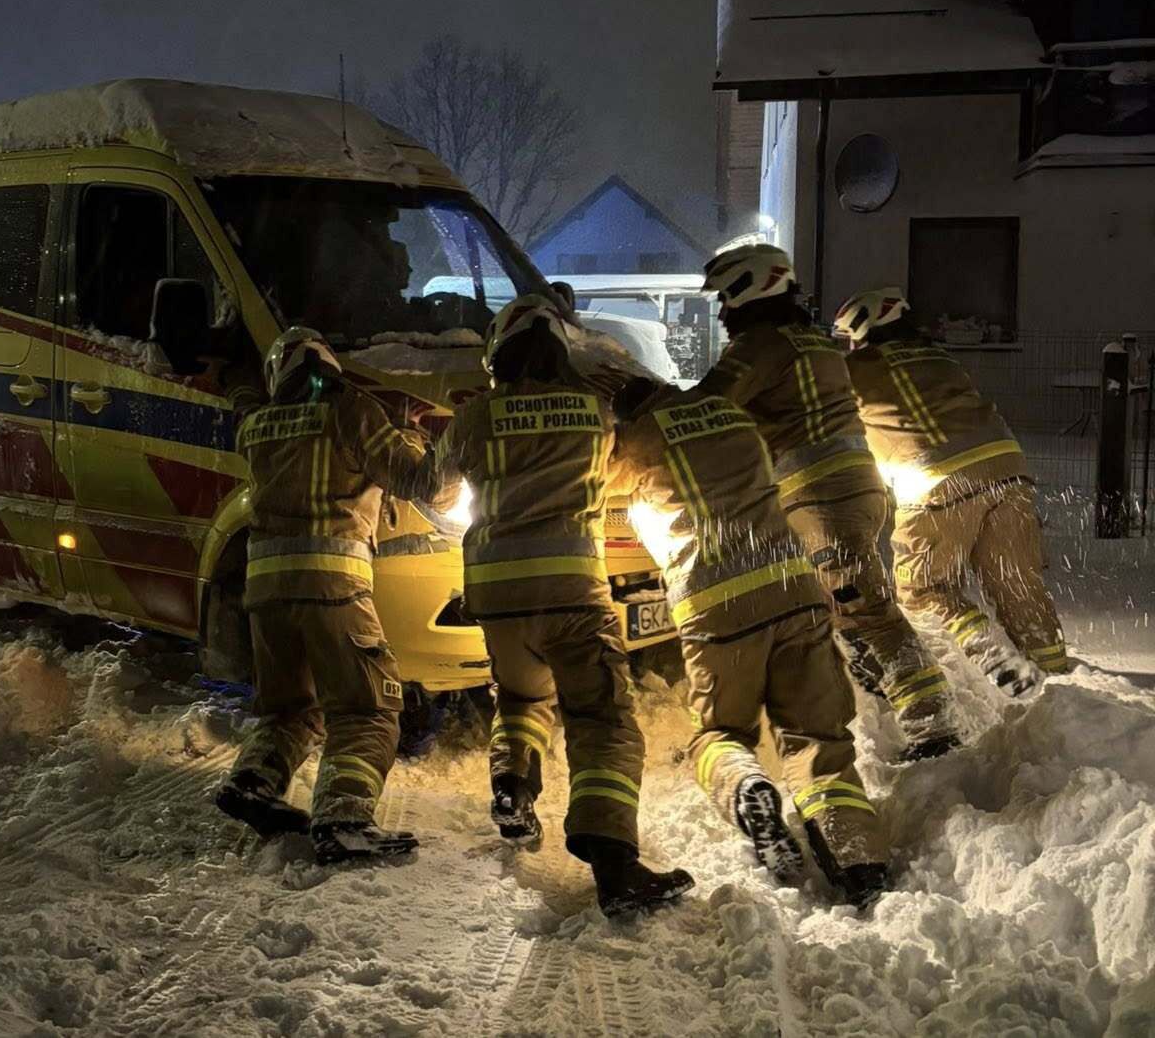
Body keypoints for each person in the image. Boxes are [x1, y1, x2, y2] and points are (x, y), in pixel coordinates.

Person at [411, 294, 695, 918]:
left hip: (499, 598)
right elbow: (620, 476)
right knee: (601, 717)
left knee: (519, 699)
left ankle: (513, 789)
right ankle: (615, 862)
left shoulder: (475, 417)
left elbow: (430, 487)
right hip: (573, 594)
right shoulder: (594, 413)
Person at [612, 371, 890, 909]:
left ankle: (745, 788)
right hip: (793, 587)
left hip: (717, 606)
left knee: (720, 732)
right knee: (818, 738)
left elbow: (573, 481)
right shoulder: (734, 417)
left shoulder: (636, 441)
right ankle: (860, 863)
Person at [694, 244, 959, 760]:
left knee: (869, 607)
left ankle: (935, 726)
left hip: (823, 497)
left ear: (751, 290)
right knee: (838, 605)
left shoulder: (761, 345)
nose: (723, 312)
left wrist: (645, 404)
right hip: (850, 491)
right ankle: (884, 688)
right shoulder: (814, 342)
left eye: (726, 298)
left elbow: (707, 406)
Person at [213, 326, 451, 863]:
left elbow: (244, 401)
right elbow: (421, 481)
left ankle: (251, 783)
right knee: (367, 709)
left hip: (266, 593)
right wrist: (412, 433)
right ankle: (344, 819)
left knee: (288, 710)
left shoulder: (256, 426)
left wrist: (233, 376)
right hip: (332, 586)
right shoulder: (351, 411)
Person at [834, 288, 1069, 695]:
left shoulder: (856, 369)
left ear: (862, 330)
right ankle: (1059, 681)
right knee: (1016, 582)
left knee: (925, 589)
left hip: (939, 482)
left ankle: (999, 665)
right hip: (1009, 471)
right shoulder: (939, 358)